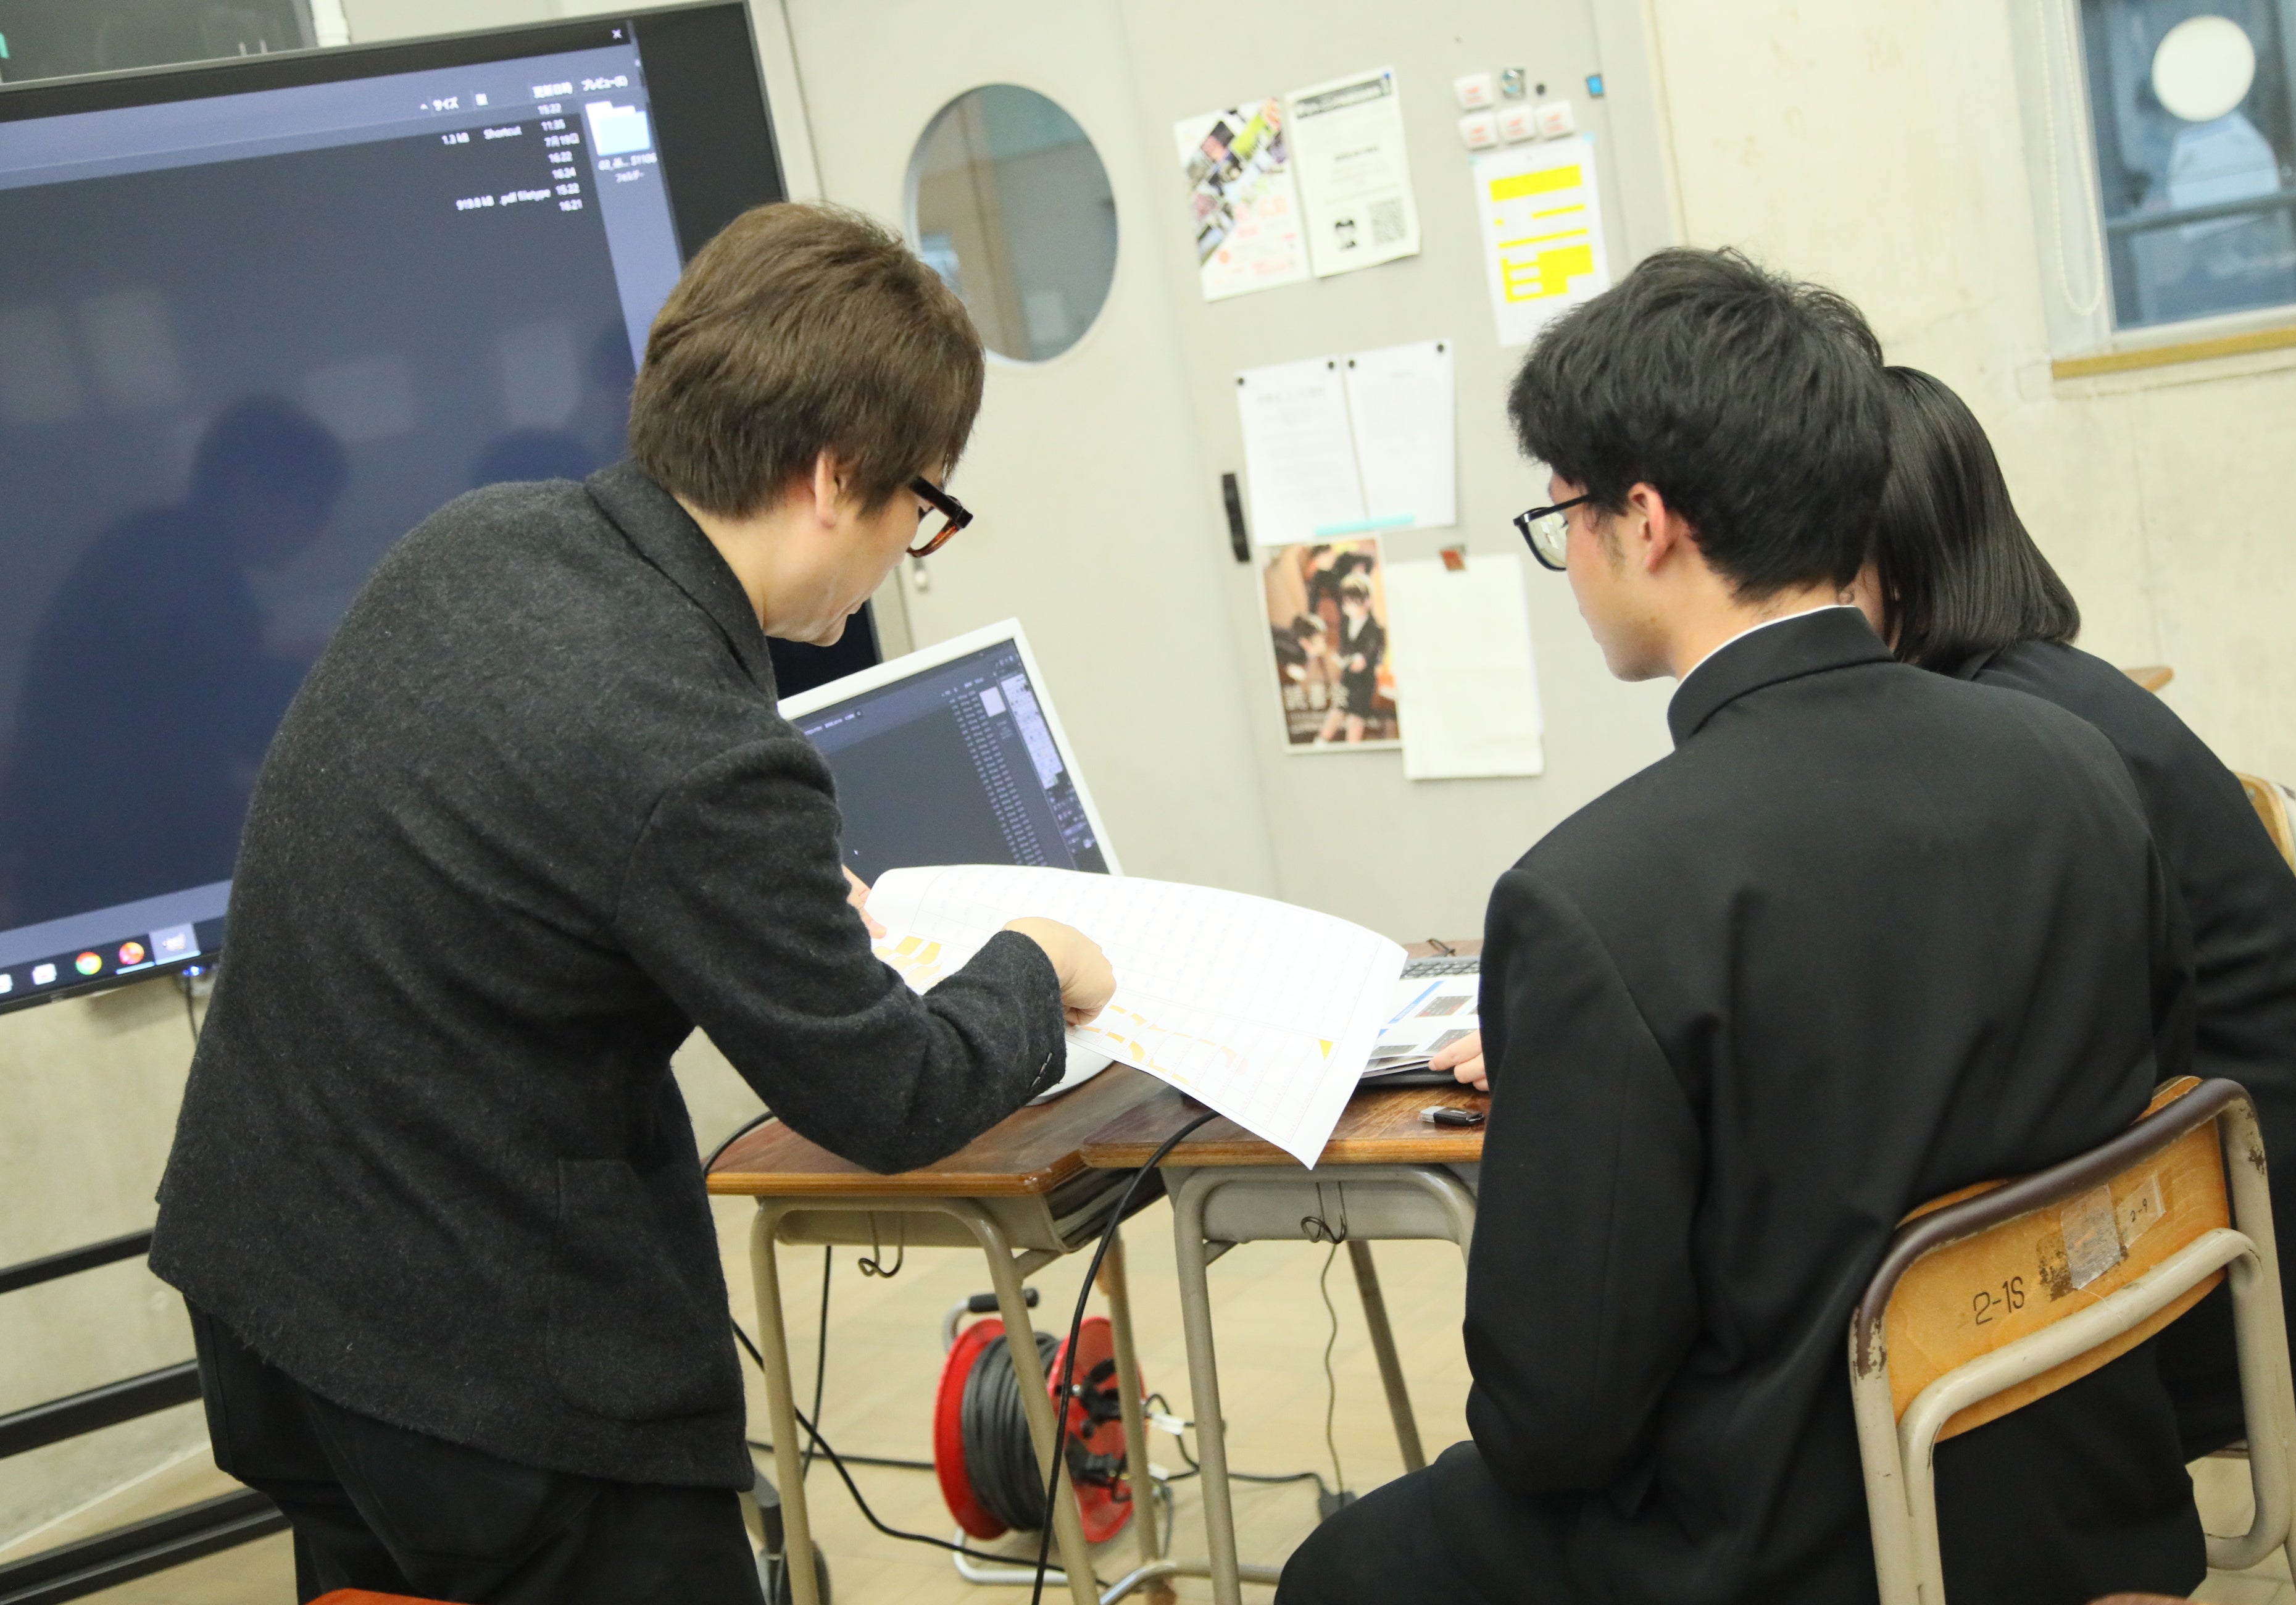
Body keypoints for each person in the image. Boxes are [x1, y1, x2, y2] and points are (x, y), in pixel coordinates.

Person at [148, 203, 1115, 1604]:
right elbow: (891, 1096)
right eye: (924, 508)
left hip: (272, 1308)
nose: (913, 543)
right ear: (837, 477)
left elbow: (513, 881)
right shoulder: (700, 746)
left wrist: (759, 911)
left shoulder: (481, 540)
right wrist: (1035, 957)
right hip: (479, 1385)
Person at [1283, 248, 2203, 1605]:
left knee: (1344, 1572)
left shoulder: (1596, 895)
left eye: (1564, 517)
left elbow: (1553, 1423)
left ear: (1645, 521)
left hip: (1805, 1543)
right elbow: (2153, 1089)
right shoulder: (2074, 762)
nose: (1569, 559)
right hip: (2088, 1483)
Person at [1842, 364, 2296, 1453]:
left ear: (1895, 552)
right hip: (2290, 1227)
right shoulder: (2047, 689)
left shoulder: (2000, 745)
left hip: (2243, 1282)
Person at [0, 396, 347, 929]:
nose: (319, 529)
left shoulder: (159, 551)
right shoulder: (177, 575)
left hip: (86, 852)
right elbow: (225, 718)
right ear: (247, 486)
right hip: (113, 868)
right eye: (314, 506)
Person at [1315, 572, 1386, 744]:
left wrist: (1364, 660)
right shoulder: (1346, 623)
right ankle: (1320, 743)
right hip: (1347, 678)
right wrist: (1340, 657)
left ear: (1367, 602)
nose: (1350, 608)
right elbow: (1344, 647)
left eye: (1355, 603)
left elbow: (1375, 653)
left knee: (1355, 719)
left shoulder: (1375, 629)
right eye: (1347, 603)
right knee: (1336, 712)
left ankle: (1353, 749)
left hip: (1364, 682)